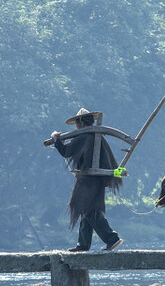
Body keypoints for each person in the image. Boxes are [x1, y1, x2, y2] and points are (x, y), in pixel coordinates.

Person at [50, 108, 125, 252]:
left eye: (76, 124)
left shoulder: (85, 136)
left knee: (88, 210)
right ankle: (83, 245)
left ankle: (111, 238)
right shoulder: (96, 136)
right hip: (97, 179)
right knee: (86, 211)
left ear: (80, 123)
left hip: (88, 180)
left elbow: (66, 152)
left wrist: (56, 140)